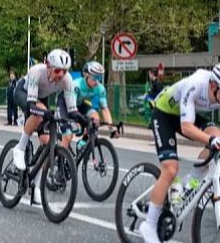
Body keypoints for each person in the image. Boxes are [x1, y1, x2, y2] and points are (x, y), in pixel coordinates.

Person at [137, 64, 220, 243]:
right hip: (165, 113)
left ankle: (190, 181)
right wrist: (210, 141)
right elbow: (186, 127)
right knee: (170, 169)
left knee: (217, 136)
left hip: (187, 113)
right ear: (214, 86)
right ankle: (149, 225)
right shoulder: (196, 84)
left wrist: (213, 140)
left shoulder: (216, 89)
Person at [11, 49, 77, 205]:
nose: (61, 75)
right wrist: (45, 113)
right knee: (40, 112)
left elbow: (72, 110)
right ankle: (19, 148)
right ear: (48, 66)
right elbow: (32, 104)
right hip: (23, 93)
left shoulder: (66, 80)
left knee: (48, 142)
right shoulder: (36, 72)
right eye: (58, 70)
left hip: (42, 98)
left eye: (65, 71)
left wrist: (83, 121)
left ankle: (36, 186)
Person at [60, 61, 119, 148]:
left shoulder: (99, 88)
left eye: (100, 78)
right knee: (68, 136)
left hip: (79, 104)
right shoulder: (76, 85)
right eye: (94, 77)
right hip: (65, 105)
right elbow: (72, 111)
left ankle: (83, 142)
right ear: (86, 75)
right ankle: (60, 157)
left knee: (95, 118)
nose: (97, 81)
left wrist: (112, 129)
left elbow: (104, 109)